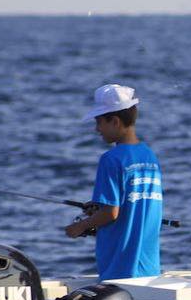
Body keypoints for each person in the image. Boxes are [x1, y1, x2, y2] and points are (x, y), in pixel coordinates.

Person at [65, 84, 164, 280]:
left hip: (120, 267)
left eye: (99, 122)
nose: (97, 129)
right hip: (149, 266)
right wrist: (98, 208)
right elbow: (133, 202)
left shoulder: (111, 159)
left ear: (115, 121)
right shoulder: (149, 156)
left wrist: (80, 226)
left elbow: (111, 213)